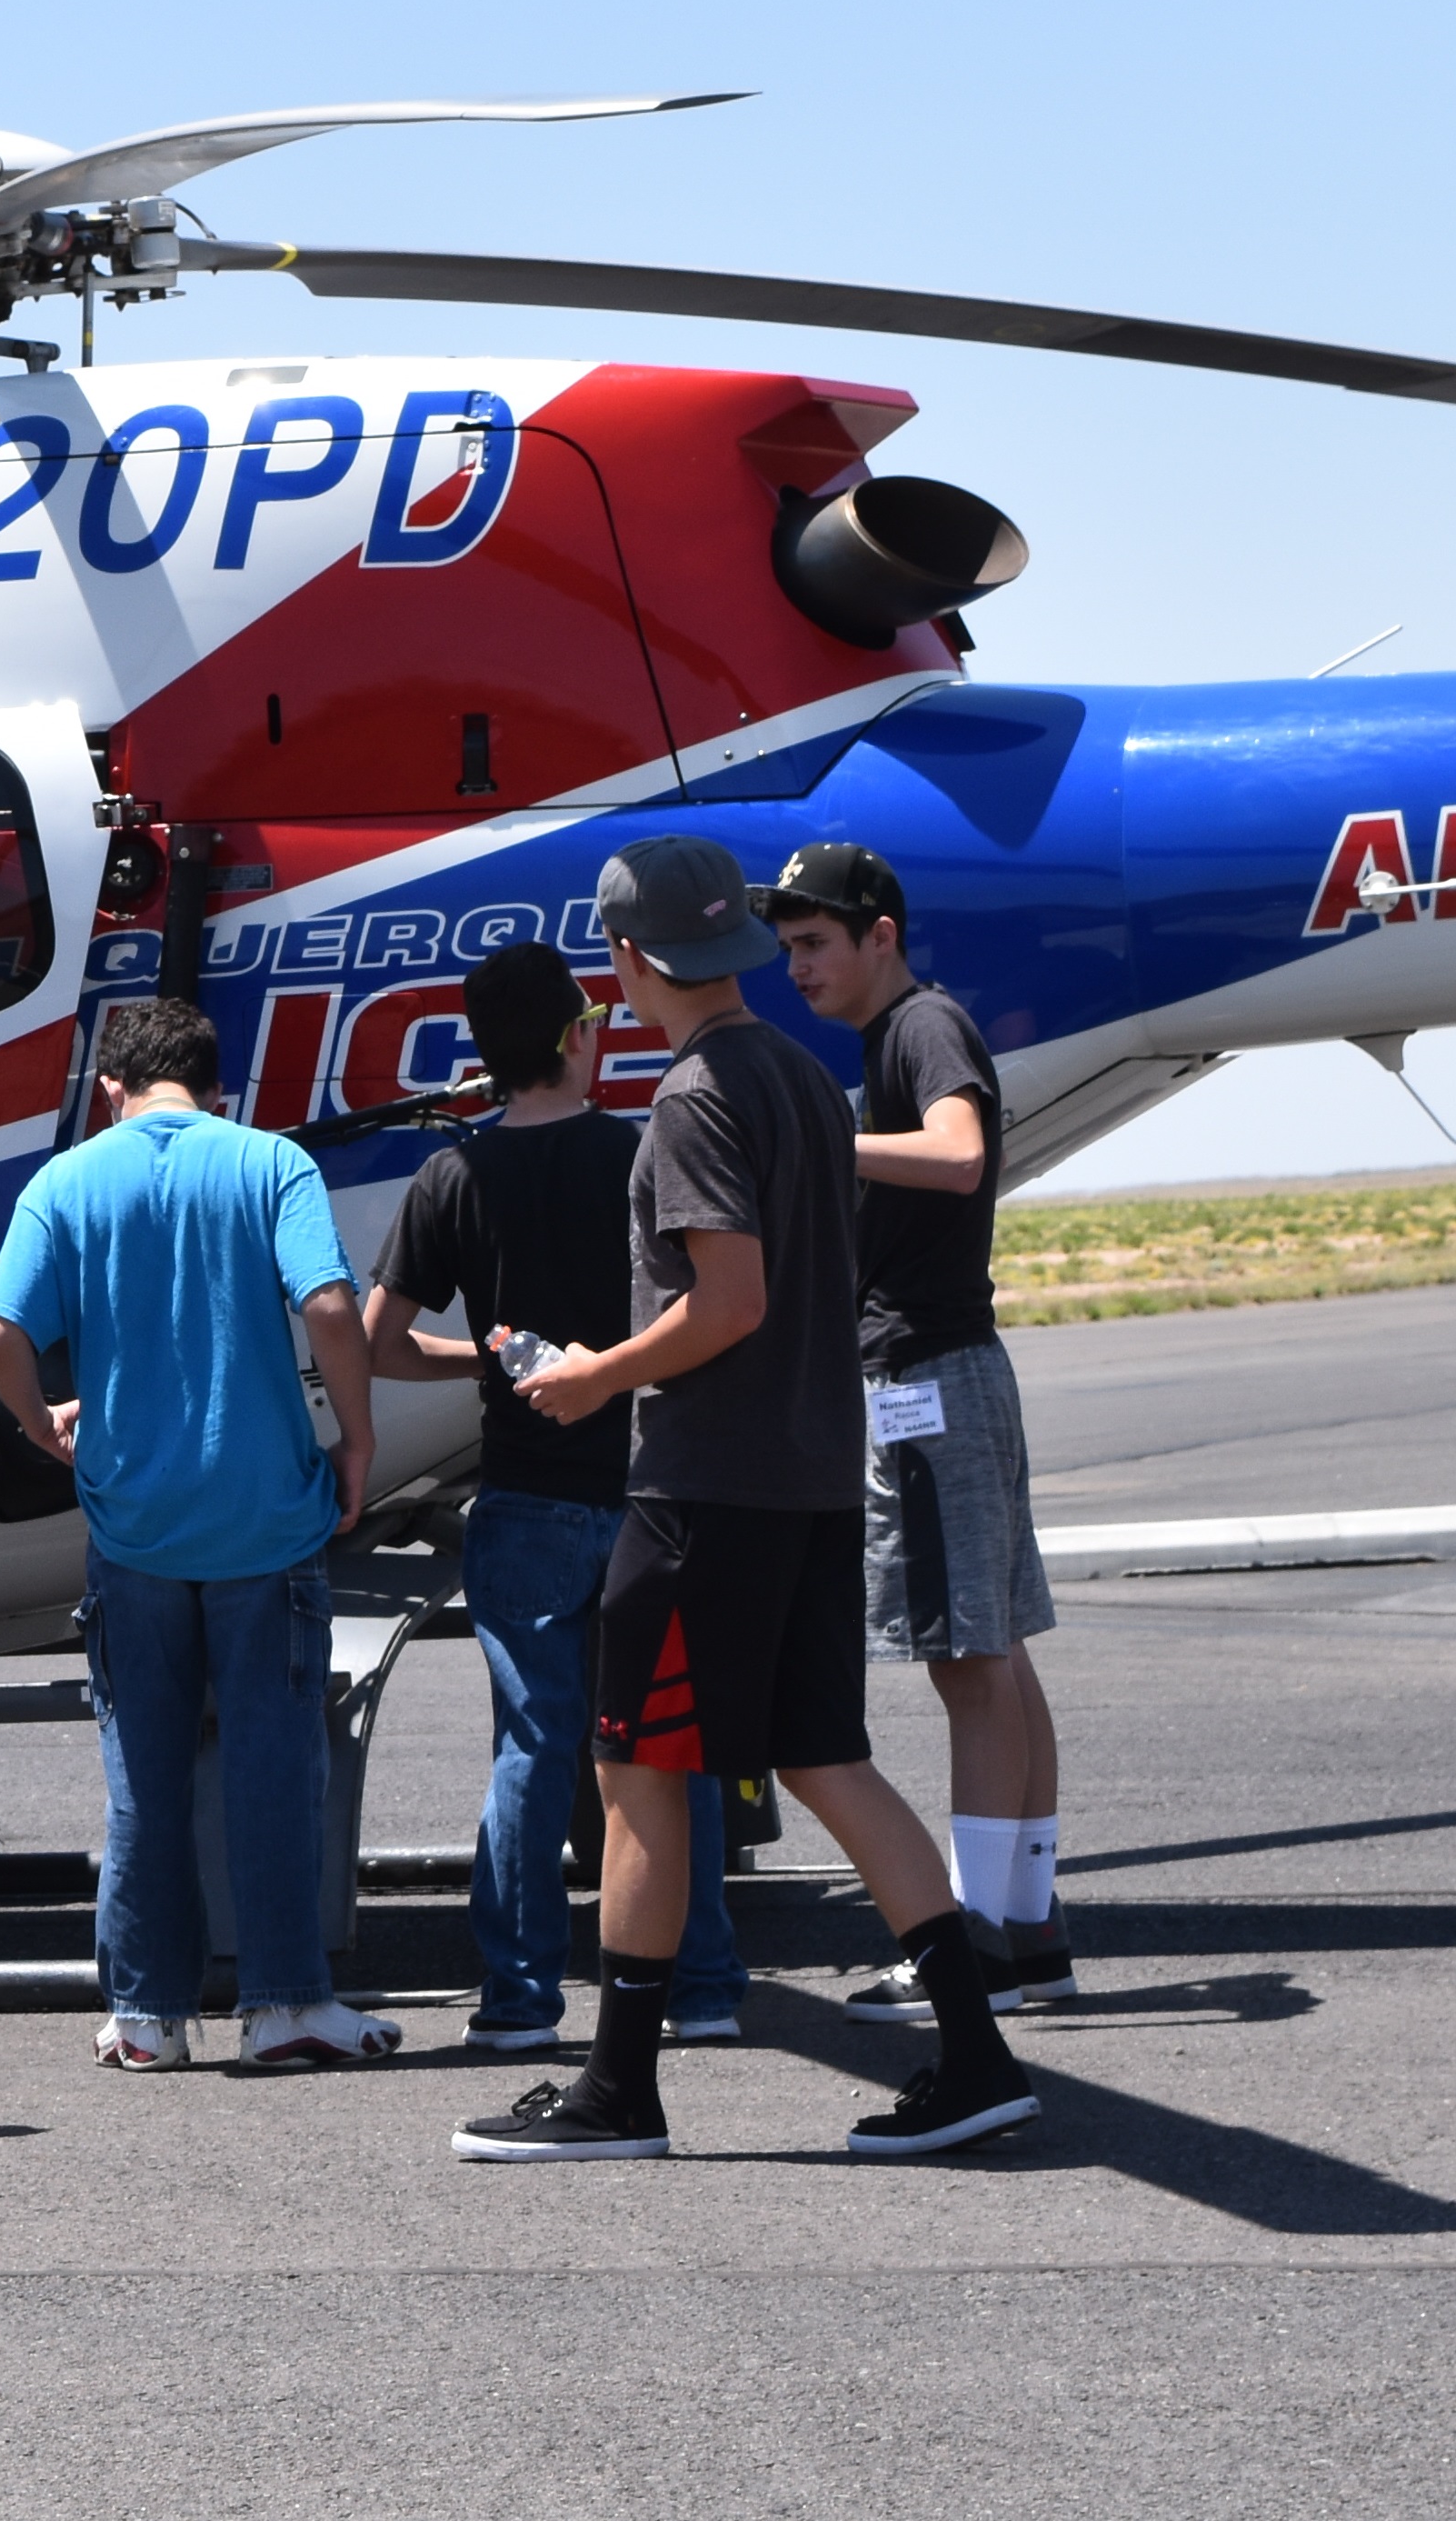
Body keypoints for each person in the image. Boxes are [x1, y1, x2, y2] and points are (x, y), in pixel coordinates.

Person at [451, 837, 1037, 2164]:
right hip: (812, 1476)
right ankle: (977, 2051)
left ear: (627, 959)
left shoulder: (695, 1097)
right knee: (827, 1758)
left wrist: (597, 1374)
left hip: (706, 1487)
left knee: (634, 1768)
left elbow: (729, 1302)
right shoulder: (800, 1076)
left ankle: (617, 2091)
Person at [0, 993, 399, 2077]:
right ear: (219, 1090)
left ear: (110, 1090)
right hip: (265, 1517)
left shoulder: (65, 1182)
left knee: (143, 1779)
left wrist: (43, 1426)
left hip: (135, 1525)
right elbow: (330, 1307)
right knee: (273, 1769)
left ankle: (147, 2016)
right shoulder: (271, 1164)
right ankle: (285, 2004)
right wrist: (355, 1439)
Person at [362, 944, 750, 2052]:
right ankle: (702, 1986)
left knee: (531, 1746)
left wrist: (490, 1364)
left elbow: (381, 1341)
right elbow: (706, 1310)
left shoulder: (452, 1176)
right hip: (647, 1490)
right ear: (579, 1037)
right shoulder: (637, 1155)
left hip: (522, 1496)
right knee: (670, 1746)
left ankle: (519, 1999)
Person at [763, 841, 1076, 2015]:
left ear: (879, 935)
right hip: (955, 1374)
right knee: (995, 1655)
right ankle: (1026, 1932)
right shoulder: (898, 1037)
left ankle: (977, 1945)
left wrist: (814, 1142)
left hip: (927, 1383)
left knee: (968, 1661)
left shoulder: (920, 1028)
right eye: (787, 948)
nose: (797, 967)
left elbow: (957, 1155)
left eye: (813, 943)